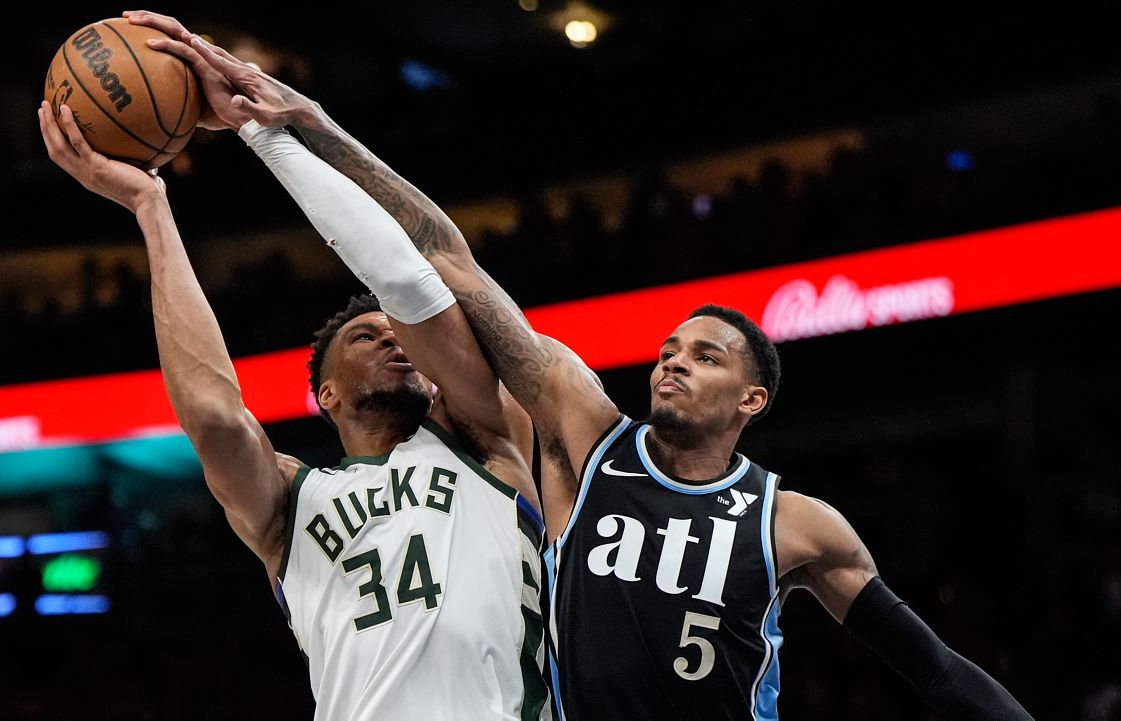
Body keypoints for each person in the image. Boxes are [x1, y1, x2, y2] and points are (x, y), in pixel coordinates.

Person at [134, 11, 1033, 719]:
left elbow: (934, 669)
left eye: (705, 353)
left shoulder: (793, 523)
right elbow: (443, 260)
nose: (673, 363)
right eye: (669, 348)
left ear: (753, 397)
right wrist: (306, 125)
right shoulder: (583, 442)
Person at [37, 42, 549, 721]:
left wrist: (268, 127)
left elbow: (418, 274)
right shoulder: (290, 501)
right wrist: (151, 210)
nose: (392, 337)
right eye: (366, 337)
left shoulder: (490, 440)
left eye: (397, 334)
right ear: (325, 394)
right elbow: (217, 418)